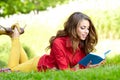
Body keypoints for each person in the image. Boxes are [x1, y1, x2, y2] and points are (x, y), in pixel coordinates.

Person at [0, 12, 104, 72]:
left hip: (41, 63)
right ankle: (15, 36)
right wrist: (80, 69)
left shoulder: (82, 46)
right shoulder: (58, 43)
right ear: (73, 28)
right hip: (38, 65)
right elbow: (65, 71)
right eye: (83, 28)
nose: (86, 32)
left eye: (88, 28)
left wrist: (91, 65)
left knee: (22, 64)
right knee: (11, 70)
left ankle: (12, 35)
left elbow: (77, 67)